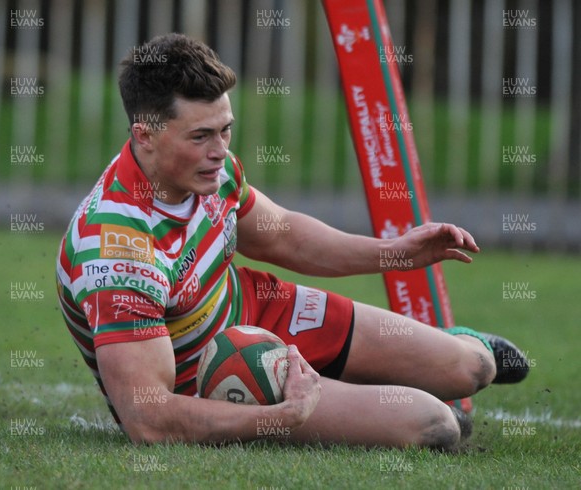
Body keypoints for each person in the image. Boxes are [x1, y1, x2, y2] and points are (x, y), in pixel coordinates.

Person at [56, 33, 528, 449]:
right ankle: (343, 388)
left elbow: (285, 238)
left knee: (472, 368)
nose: (219, 151)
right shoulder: (115, 250)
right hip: (207, 380)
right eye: (201, 136)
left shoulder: (211, 170)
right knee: (434, 424)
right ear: (146, 136)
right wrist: (276, 419)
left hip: (258, 308)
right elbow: (148, 417)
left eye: (226, 130)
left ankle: (427, 357)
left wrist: (394, 253)